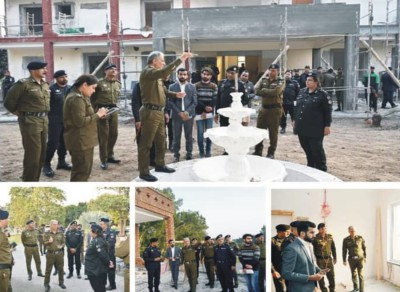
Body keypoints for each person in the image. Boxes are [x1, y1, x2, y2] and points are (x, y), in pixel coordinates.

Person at [138, 51, 192, 182]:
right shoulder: (148, 72)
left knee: (161, 141)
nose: (163, 63)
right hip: (150, 112)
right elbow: (164, 72)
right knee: (146, 144)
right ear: (154, 61)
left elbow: (163, 91)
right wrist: (180, 59)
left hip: (159, 112)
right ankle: (143, 172)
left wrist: (175, 95)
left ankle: (160, 165)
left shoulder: (155, 75)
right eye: (162, 61)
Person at [4, 61, 50, 181]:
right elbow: (8, 102)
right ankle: (29, 180)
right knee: (33, 154)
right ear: (33, 70)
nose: (46, 71)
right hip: (30, 121)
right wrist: (18, 113)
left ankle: (35, 179)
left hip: (44, 120)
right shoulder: (23, 84)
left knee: (42, 154)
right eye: (43, 69)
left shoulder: (45, 84)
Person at [63, 74, 108, 181]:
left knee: (84, 172)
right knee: (81, 173)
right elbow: (80, 121)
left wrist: (99, 115)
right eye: (93, 88)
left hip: (85, 140)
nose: (93, 91)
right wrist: (97, 115)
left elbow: (86, 116)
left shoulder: (82, 96)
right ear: (84, 85)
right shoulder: (76, 98)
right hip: (80, 141)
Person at [294, 72, 332, 172]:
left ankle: (321, 168)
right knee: (306, 147)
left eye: (310, 80)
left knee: (316, 149)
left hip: (316, 127)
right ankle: (311, 166)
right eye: (306, 80)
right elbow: (297, 107)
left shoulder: (322, 94)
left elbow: (327, 111)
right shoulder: (302, 91)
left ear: (316, 82)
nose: (307, 82)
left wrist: (327, 126)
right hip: (302, 126)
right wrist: (294, 120)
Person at [91, 64, 122, 170]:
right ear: (106, 71)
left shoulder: (118, 84)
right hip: (102, 110)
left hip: (114, 110)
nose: (114, 71)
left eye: (115, 69)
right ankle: (103, 160)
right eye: (111, 69)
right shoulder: (99, 83)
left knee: (114, 134)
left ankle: (110, 155)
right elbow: (92, 99)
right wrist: (96, 112)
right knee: (104, 136)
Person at [282, 221, 326, 292]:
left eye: (314, 232)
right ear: (302, 233)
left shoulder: (310, 245)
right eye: (311, 233)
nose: (314, 235)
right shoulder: (292, 248)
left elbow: (312, 264)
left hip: (312, 288)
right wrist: (310, 277)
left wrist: (320, 270)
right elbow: (286, 273)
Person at [43, 70, 72, 177]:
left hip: (67, 120)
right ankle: (46, 165)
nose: (64, 78)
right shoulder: (51, 89)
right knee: (53, 143)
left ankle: (62, 162)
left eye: (66, 76)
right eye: (62, 77)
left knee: (64, 142)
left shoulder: (70, 89)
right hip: (54, 120)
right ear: (56, 78)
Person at [253, 64, 284, 159]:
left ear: (278, 71)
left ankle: (271, 153)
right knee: (259, 132)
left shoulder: (281, 81)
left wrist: (265, 90)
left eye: (274, 70)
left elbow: (276, 92)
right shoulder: (263, 80)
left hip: (275, 110)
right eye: (271, 70)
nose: (272, 72)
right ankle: (258, 151)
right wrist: (269, 91)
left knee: (273, 133)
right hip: (263, 109)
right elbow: (257, 91)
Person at [168, 67, 198, 162]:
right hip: (177, 115)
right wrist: (179, 112)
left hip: (188, 115)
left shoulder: (192, 87)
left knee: (188, 136)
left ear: (187, 76)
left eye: (184, 74)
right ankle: (176, 155)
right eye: (181, 74)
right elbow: (170, 102)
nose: (182, 76)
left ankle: (189, 154)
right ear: (177, 75)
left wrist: (186, 112)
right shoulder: (172, 87)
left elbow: (194, 102)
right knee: (176, 136)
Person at [194, 67, 218, 158]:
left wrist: (209, 108)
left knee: (209, 132)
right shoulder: (195, 85)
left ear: (211, 76)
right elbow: (195, 99)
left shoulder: (214, 86)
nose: (205, 76)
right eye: (204, 74)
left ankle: (208, 151)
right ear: (201, 74)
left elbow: (215, 98)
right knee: (200, 133)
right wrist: (204, 108)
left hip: (209, 112)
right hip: (199, 112)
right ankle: (201, 151)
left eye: (208, 74)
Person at [132, 81, 156, 166]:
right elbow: (135, 103)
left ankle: (152, 160)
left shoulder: (157, 84)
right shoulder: (139, 85)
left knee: (154, 140)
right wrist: (137, 119)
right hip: (143, 117)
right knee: (142, 141)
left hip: (155, 116)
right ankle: (143, 162)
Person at [85, 224, 110, 292]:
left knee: (98, 289)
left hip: (95, 271)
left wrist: (109, 262)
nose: (90, 232)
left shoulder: (97, 241)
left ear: (95, 232)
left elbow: (103, 255)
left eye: (91, 231)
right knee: (100, 288)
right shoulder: (97, 240)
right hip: (96, 269)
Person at [312, 223, 336, 292]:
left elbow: (333, 247)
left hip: (329, 259)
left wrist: (335, 257)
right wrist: (314, 261)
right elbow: (313, 250)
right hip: (319, 260)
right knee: (321, 278)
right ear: (319, 230)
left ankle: (332, 290)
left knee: (331, 276)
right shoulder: (315, 239)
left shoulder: (330, 237)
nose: (324, 230)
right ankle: (324, 290)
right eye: (322, 228)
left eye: (325, 228)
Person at [342, 226, 366, 292]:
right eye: (352, 231)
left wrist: (365, 258)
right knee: (353, 274)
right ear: (349, 231)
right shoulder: (346, 240)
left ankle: (362, 290)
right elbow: (344, 251)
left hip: (360, 259)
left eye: (354, 231)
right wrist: (344, 260)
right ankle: (356, 288)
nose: (353, 232)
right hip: (352, 260)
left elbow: (364, 248)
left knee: (360, 275)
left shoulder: (360, 238)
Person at [44, 220, 66, 291]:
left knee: (61, 269)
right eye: (54, 224)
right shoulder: (47, 233)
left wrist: (61, 246)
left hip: (59, 254)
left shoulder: (61, 233)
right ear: (50, 225)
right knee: (48, 270)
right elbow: (43, 243)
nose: (56, 226)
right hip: (50, 254)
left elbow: (63, 242)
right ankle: (46, 284)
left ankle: (61, 282)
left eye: (56, 224)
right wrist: (49, 241)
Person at [271, 224, 291, 292]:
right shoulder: (272, 241)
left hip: (290, 270)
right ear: (280, 232)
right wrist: (273, 271)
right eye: (287, 231)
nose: (289, 233)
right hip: (278, 270)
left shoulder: (291, 240)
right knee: (280, 289)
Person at [99, 218, 117, 290]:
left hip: (110, 255)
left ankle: (112, 285)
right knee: (103, 269)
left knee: (111, 270)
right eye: (100, 224)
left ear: (106, 224)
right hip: (103, 254)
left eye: (101, 224)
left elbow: (111, 244)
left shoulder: (111, 232)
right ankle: (104, 283)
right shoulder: (100, 232)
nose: (100, 225)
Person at [280, 70, 299, 134]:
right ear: (284, 75)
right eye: (286, 74)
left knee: (294, 116)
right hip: (283, 103)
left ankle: (295, 128)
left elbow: (298, 93)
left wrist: (296, 102)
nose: (287, 75)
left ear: (291, 75)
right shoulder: (281, 83)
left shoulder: (295, 83)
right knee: (283, 117)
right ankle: (283, 128)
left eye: (289, 74)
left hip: (292, 103)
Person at [0, 210, 12, 291]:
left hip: (5, 266)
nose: (8, 220)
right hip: (2, 269)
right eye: (6, 219)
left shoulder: (2, 232)